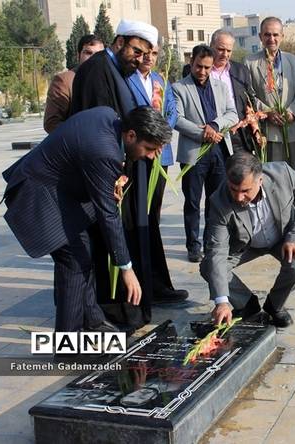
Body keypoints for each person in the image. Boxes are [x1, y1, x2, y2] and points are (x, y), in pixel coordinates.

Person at [1, 106, 171, 332]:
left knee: (83, 254)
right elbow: (108, 215)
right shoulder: (104, 151)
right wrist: (126, 268)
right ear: (131, 135)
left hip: (60, 192)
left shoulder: (109, 117)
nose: (150, 156)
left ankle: (92, 320)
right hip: (39, 195)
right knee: (74, 261)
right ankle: (68, 340)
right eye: (149, 149)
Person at [71, 19, 187, 329]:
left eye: (145, 54)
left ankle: (134, 301)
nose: (139, 59)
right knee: (108, 238)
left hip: (126, 169)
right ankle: (112, 310)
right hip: (109, 174)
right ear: (120, 41)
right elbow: (100, 131)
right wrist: (116, 172)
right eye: (136, 51)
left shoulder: (117, 70)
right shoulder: (97, 71)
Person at [200, 151, 295, 328]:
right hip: (244, 245)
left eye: (245, 191)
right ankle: (247, 305)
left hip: (283, 238)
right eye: (233, 189)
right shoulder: (219, 201)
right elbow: (217, 249)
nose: (239, 197)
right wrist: (221, 301)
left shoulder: (283, 174)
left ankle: (275, 306)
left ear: (260, 180)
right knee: (209, 267)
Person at [126, 45, 187, 304]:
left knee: (153, 216)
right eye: (145, 52)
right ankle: (142, 280)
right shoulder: (127, 80)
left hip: (160, 155)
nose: (149, 58)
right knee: (139, 218)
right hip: (138, 155)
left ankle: (159, 282)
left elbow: (171, 110)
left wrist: (160, 136)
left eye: (153, 53)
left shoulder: (160, 81)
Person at [172, 45, 238, 263]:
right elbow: (177, 119)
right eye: (199, 66)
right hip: (194, 152)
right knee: (192, 202)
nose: (202, 71)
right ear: (191, 62)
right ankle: (193, 245)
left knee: (215, 200)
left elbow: (233, 114)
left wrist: (215, 125)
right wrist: (203, 133)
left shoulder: (221, 86)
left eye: (207, 68)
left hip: (219, 150)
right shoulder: (179, 88)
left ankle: (212, 242)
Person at [244, 17, 295, 174]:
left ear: (282, 36)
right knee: (270, 176)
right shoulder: (249, 62)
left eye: (275, 34)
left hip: (291, 129)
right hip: (267, 132)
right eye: (267, 34)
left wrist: (292, 112)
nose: (271, 39)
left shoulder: (293, 60)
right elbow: (248, 95)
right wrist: (267, 112)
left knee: (293, 176)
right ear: (260, 36)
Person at [210, 30, 259, 153]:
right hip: (211, 133)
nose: (225, 54)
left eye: (229, 51)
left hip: (237, 134)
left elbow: (250, 100)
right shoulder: (200, 70)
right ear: (211, 46)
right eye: (221, 49)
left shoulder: (241, 71)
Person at [43, 34, 104, 133]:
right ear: (78, 55)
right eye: (88, 53)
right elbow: (51, 123)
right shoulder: (64, 81)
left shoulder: (108, 78)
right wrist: (82, 134)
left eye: (98, 54)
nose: (93, 58)